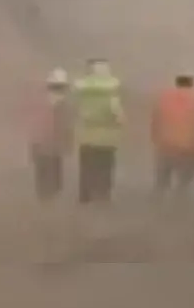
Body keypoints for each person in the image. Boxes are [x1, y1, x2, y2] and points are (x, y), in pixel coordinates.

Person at [73, 58, 125, 204]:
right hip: (107, 140)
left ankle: (85, 196)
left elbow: (76, 112)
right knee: (105, 168)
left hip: (86, 137)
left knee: (86, 168)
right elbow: (118, 116)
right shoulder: (111, 95)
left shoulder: (83, 92)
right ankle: (103, 195)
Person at [151, 72, 194, 196]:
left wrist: (156, 139)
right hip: (187, 147)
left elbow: (156, 120)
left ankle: (157, 204)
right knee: (184, 180)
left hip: (165, 145)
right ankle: (180, 205)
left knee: (161, 179)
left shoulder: (164, 98)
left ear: (177, 83)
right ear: (191, 84)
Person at [26, 68, 74, 201]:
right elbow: (67, 128)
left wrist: (33, 146)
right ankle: (48, 203)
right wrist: (68, 144)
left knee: (44, 180)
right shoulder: (63, 106)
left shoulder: (41, 103)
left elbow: (34, 126)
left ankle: (45, 203)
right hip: (51, 147)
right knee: (52, 181)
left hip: (44, 146)